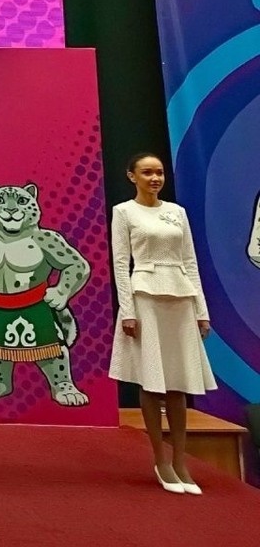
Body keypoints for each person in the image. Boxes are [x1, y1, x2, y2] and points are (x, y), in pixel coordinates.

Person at [109, 152, 215, 495]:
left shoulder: (177, 212)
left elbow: (190, 262)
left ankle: (180, 460)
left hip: (180, 296)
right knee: (152, 380)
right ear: (132, 176)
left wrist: (201, 310)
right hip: (145, 296)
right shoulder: (124, 212)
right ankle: (161, 461)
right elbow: (121, 264)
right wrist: (127, 310)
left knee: (178, 382)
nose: (154, 178)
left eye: (159, 172)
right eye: (147, 172)